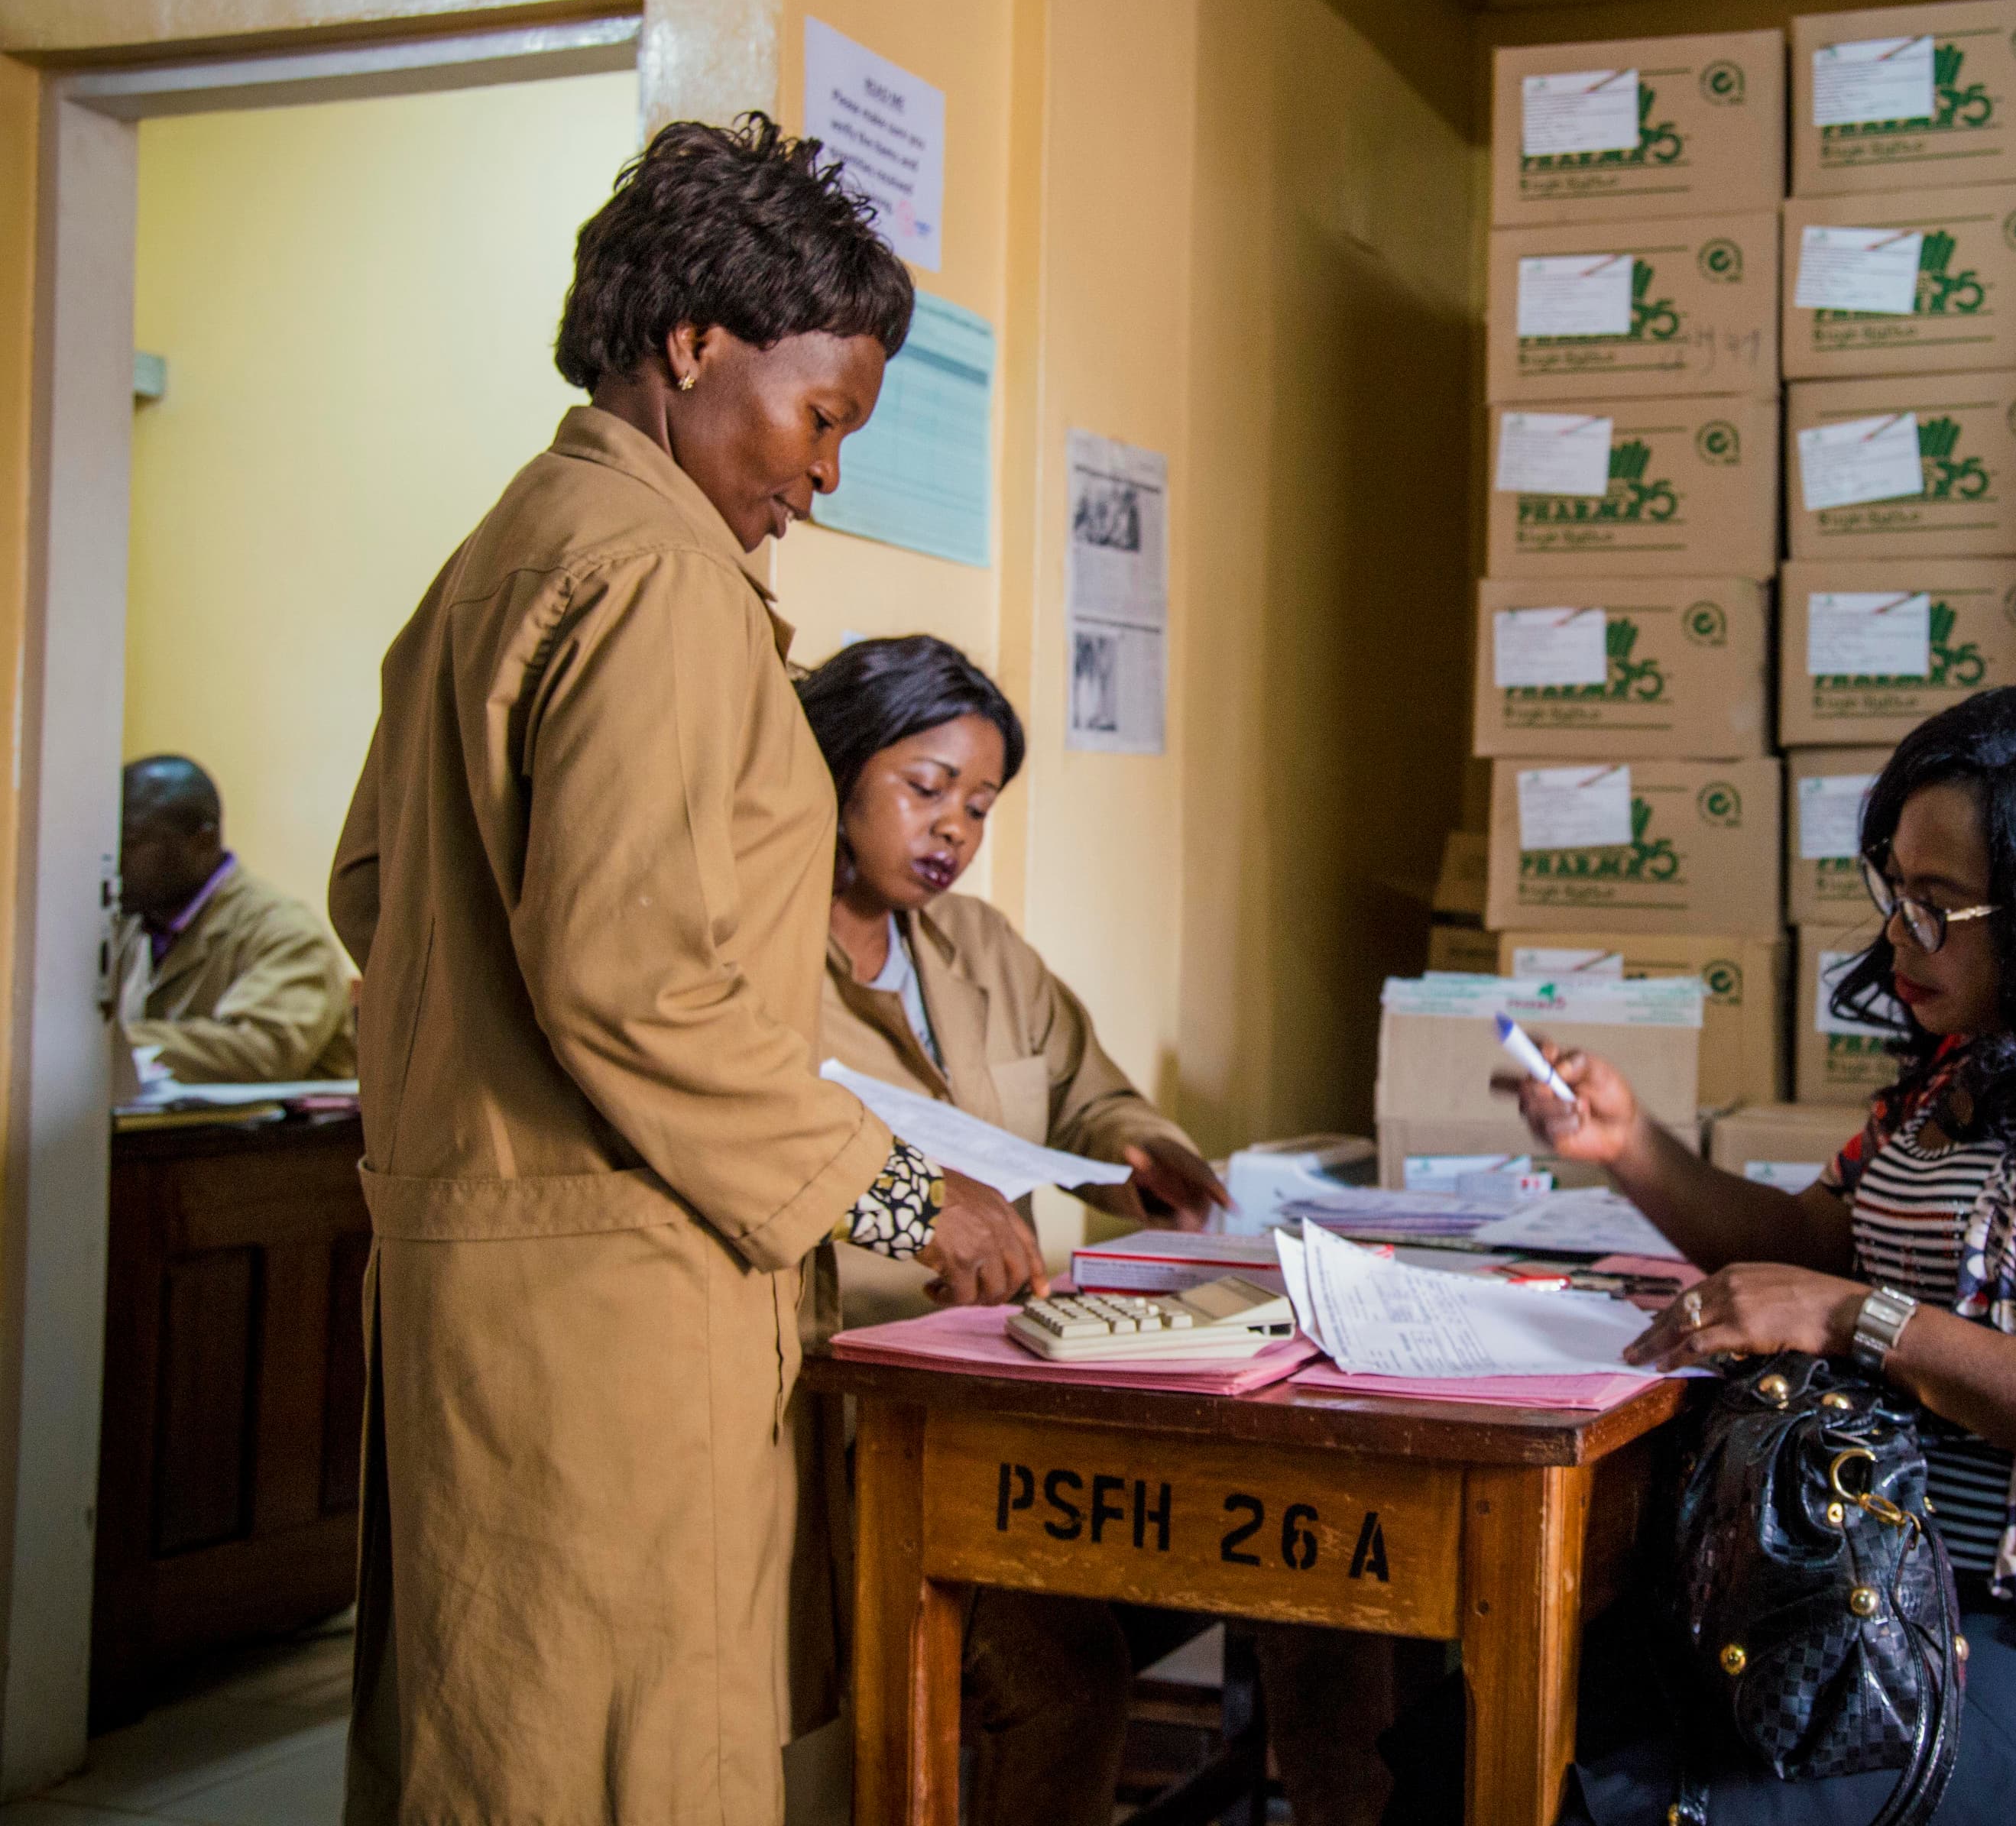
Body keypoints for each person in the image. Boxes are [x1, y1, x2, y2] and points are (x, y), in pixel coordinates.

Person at [327, 115, 1040, 1826]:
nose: (826, 472)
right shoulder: (661, 576)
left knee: (483, 1741)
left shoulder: (506, 547)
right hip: (619, 1310)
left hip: (478, 1278)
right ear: (696, 341)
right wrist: (893, 1194)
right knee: (626, 1759)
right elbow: (632, 982)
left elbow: (376, 889)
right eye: (821, 416)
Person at [1396, 678, 2016, 1826]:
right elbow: (1807, 1243)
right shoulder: (1981, 1059)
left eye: (1939, 907)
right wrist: (1633, 1146)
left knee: (1612, 1802)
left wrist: (1858, 1321)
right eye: (1896, 892)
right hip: (1833, 1580)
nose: (1899, 937)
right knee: (1460, 1743)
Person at [796, 634, 1227, 1824]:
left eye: (979, 808)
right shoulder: (755, 963)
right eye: (925, 789)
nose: (954, 832)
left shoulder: (977, 950)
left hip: (1015, 1382)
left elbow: (1087, 1094)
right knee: (1061, 1682)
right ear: (835, 770)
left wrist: (1137, 1150)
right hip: (852, 1413)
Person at [112, 754, 355, 1083]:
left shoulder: (284, 931)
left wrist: (107, 1045)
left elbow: (264, 1051)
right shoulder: (129, 923)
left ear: (203, 841)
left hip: (272, 1134)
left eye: (128, 842)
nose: (113, 859)